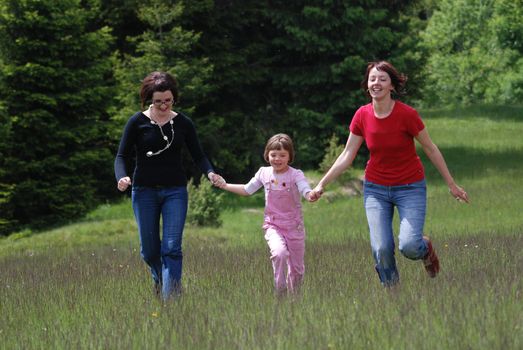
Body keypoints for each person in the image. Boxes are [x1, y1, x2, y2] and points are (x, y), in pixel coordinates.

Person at [309, 61, 469, 287]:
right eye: (372, 79)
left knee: (409, 246)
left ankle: (426, 249)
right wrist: (321, 185)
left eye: (382, 79)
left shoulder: (407, 114)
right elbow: (347, 154)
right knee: (381, 248)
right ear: (367, 84)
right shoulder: (362, 115)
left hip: (410, 187)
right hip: (376, 189)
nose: (376, 83)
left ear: (392, 86)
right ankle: (393, 296)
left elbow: (431, 148)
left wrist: (452, 185)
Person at [114, 71, 221, 300]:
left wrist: (210, 173)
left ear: (174, 98)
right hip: (144, 191)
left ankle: (171, 299)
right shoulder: (137, 122)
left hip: (175, 192)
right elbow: (121, 156)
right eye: (158, 101)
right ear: (148, 100)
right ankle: (160, 279)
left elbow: (199, 155)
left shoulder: (183, 123)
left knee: (172, 247)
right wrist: (121, 177)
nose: (163, 105)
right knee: (149, 251)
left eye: (168, 101)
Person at [215, 134, 313, 295]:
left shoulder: (296, 174)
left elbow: (304, 189)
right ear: (267, 155)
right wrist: (224, 185)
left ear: (290, 156)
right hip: (273, 225)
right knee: (279, 253)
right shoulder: (263, 173)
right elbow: (247, 190)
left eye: (282, 155)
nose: (277, 159)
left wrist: (310, 194)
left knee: (297, 269)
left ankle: (295, 301)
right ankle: (279, 292)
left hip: (294, 227)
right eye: (273, 155)